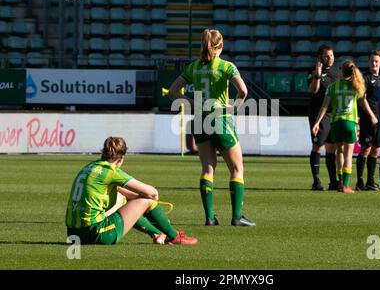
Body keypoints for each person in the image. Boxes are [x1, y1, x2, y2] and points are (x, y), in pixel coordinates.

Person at [168, 29, 256, 227]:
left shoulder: (193, 67)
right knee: (236, 168)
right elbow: (243, 90)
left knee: (208, 168)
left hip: (200, 118)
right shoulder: (226, 66)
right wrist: (234, 107)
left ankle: (209, 217)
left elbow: (173, 91)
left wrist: (191, 102)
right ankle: (237, 217)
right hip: (220, 118)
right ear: (221, 46)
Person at [65, 136, 198, 245]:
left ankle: (157, 233)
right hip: (95, 234)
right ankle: (175, 237)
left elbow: (122, 192)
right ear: (121, 158)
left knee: (123, 198)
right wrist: (150, 203)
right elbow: (152, 193)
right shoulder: (111, 171)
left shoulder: (90, 166)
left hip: (73, 235)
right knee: (146, 199)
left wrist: (136, 201)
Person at [312, 61, 377, 194]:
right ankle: (346, 186)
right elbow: (363, 102)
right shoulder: (356, 86)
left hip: (335, 122)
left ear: (341, 72)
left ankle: (340, 182)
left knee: (339, 153)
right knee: (348, 155)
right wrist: (372, 115)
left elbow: (324, 106)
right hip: (349, 122)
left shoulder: (332, 86)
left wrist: (317, 122)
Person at [307, 44, 342, 191]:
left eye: (332, 55)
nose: (330, 58)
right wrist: (318, 74)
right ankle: (316, 181)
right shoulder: (314, 71)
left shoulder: (337, 71)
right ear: (320, 57)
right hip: (318, 113)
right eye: (327, 56)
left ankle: (333, 181)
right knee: (318, 146)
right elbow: (313, 90)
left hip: (334, 113)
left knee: (331, 147)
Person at [356, 50, 380, 191]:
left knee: (376, 150)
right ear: (369, 62)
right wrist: (372, 116)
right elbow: (361, 98)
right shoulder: (365, 78)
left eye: (376, 61)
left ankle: (370, 181)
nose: (374, 63)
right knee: (365, 149)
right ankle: (359, 182)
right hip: (368, 119)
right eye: (372, 61)